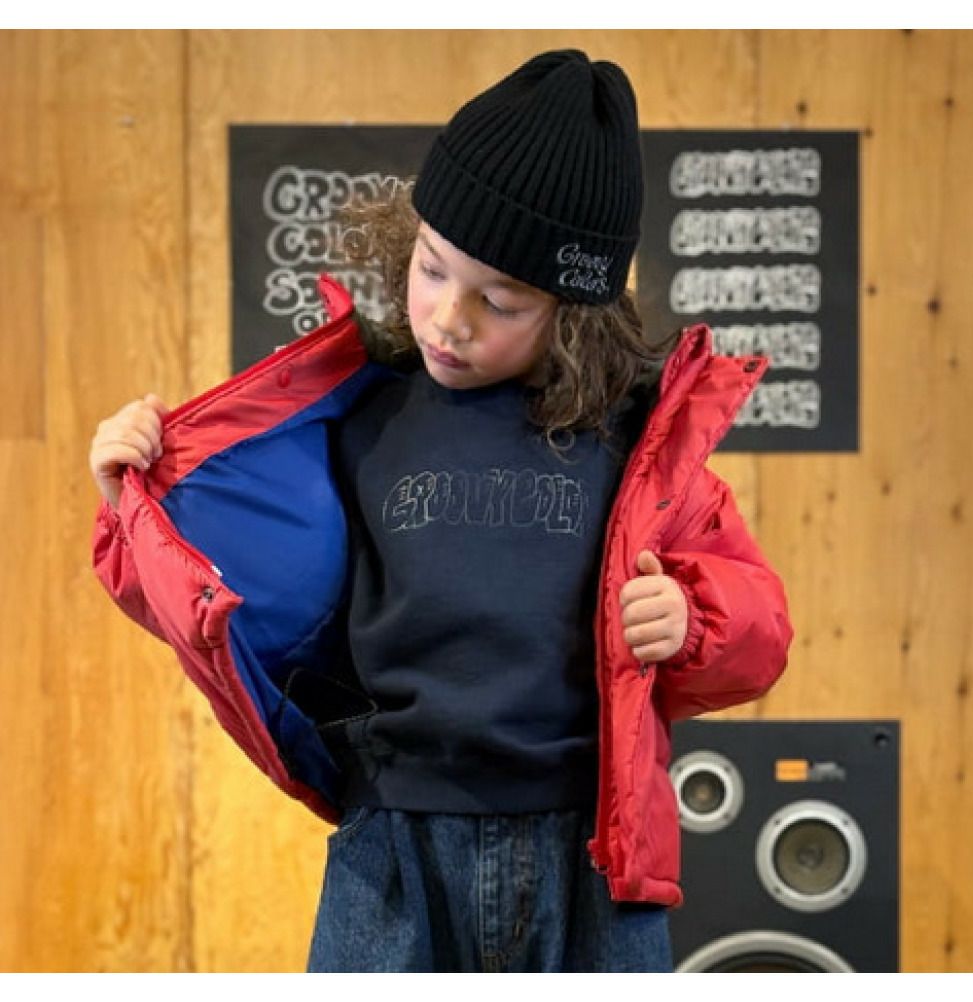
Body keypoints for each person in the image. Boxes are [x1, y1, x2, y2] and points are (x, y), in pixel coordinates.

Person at [89, 50, 792, 973]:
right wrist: (133, 508)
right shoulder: (355, 416)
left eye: (499, 301)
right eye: (431, 269)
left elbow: (760, 633)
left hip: (590, 851)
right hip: (391, 849)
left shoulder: (638, 444)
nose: (449, 319)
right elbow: (218, 606)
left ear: (576, 313)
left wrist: (693, 619)